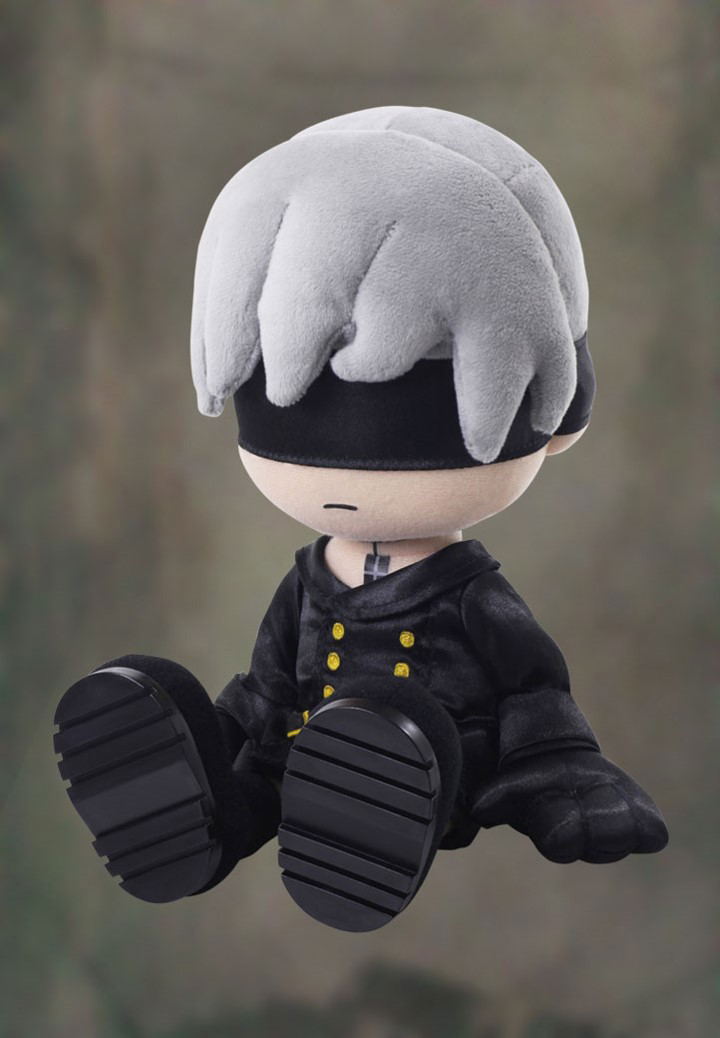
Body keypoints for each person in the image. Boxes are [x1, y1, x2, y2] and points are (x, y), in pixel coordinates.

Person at [54, 107, 668, 932]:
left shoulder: (471, 595)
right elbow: (272, 680)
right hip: (297, 744)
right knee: (254, 749)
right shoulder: (307, 582)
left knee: (402, 732)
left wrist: (569, 775)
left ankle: (375, 813)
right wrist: (226, 730)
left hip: (434, 771)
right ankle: (216, 821)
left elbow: (533, 693)